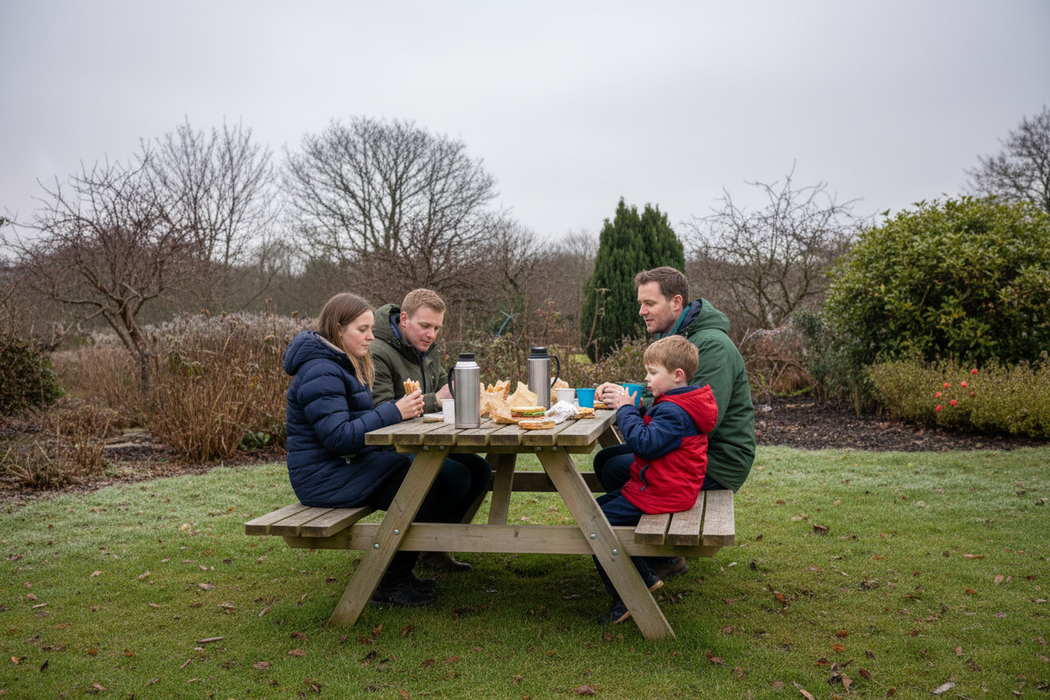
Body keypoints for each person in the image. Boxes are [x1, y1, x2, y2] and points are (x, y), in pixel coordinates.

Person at [283, 293, 485, 607]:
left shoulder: (340, 364)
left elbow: (353, 424)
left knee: (447, 474)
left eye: (370, 328)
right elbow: (338, 437)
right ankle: (389, 581)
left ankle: (401, 570)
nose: (370, 335)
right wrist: (395, 411)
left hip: (346, 466)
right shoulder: (320, 371)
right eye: (362, 329)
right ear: (339, 330)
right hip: (324, 478)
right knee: (432, 482)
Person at [595, 266, 756, 579]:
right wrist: (626, 392)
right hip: (695, 451)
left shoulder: (710, 345)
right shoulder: (682, 338)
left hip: (718, 460)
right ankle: (642, 546)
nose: (642, 311)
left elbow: (704, 417)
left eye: (650, 303)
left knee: (616, 467)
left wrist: (633, 405)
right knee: (607, 459)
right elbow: (674, 393)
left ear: (676, 302)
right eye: (641, 303)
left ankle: (658, 555)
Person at [593, 335, 719, 624]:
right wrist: (638, 411)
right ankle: (644, 576)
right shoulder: (679, 403)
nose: (646, 379)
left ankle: (628, 592)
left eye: (652, 373)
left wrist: (625, 410)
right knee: (597, 509)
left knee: (594, 523)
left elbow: (645, 443)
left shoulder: (674, 410)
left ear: (677, 375)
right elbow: (657, 432)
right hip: (665, 487)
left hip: (663, 492)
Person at [370, 288, 492, 573]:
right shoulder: (377, 352)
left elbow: (442, 390)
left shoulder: (427, 350)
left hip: (424, 442)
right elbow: (382, 409)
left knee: (479, 470)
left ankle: (433, 550)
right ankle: (399, 560)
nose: (431, 334)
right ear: (403, 319)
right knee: (454, 477)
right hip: (389, 449)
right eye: (425, 326)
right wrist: (435, 399)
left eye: (437, 327)